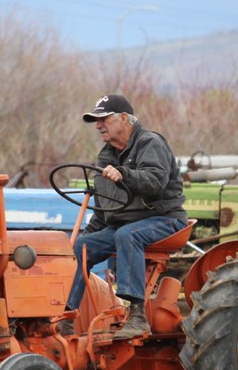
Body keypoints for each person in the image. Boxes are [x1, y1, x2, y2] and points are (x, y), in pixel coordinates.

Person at [60, 94, 188, 340]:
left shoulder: (150, 142)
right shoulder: (106, 156)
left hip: (164, 219)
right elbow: (104, 207)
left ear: (124, 118)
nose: (98, 126)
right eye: (96, 121)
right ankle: (66, 319)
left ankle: (137, 317)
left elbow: (156, 182)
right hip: (125, 224)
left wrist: (124, 174)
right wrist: (87, 238)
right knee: (81, 246)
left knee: (127, 235)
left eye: (103, 119)